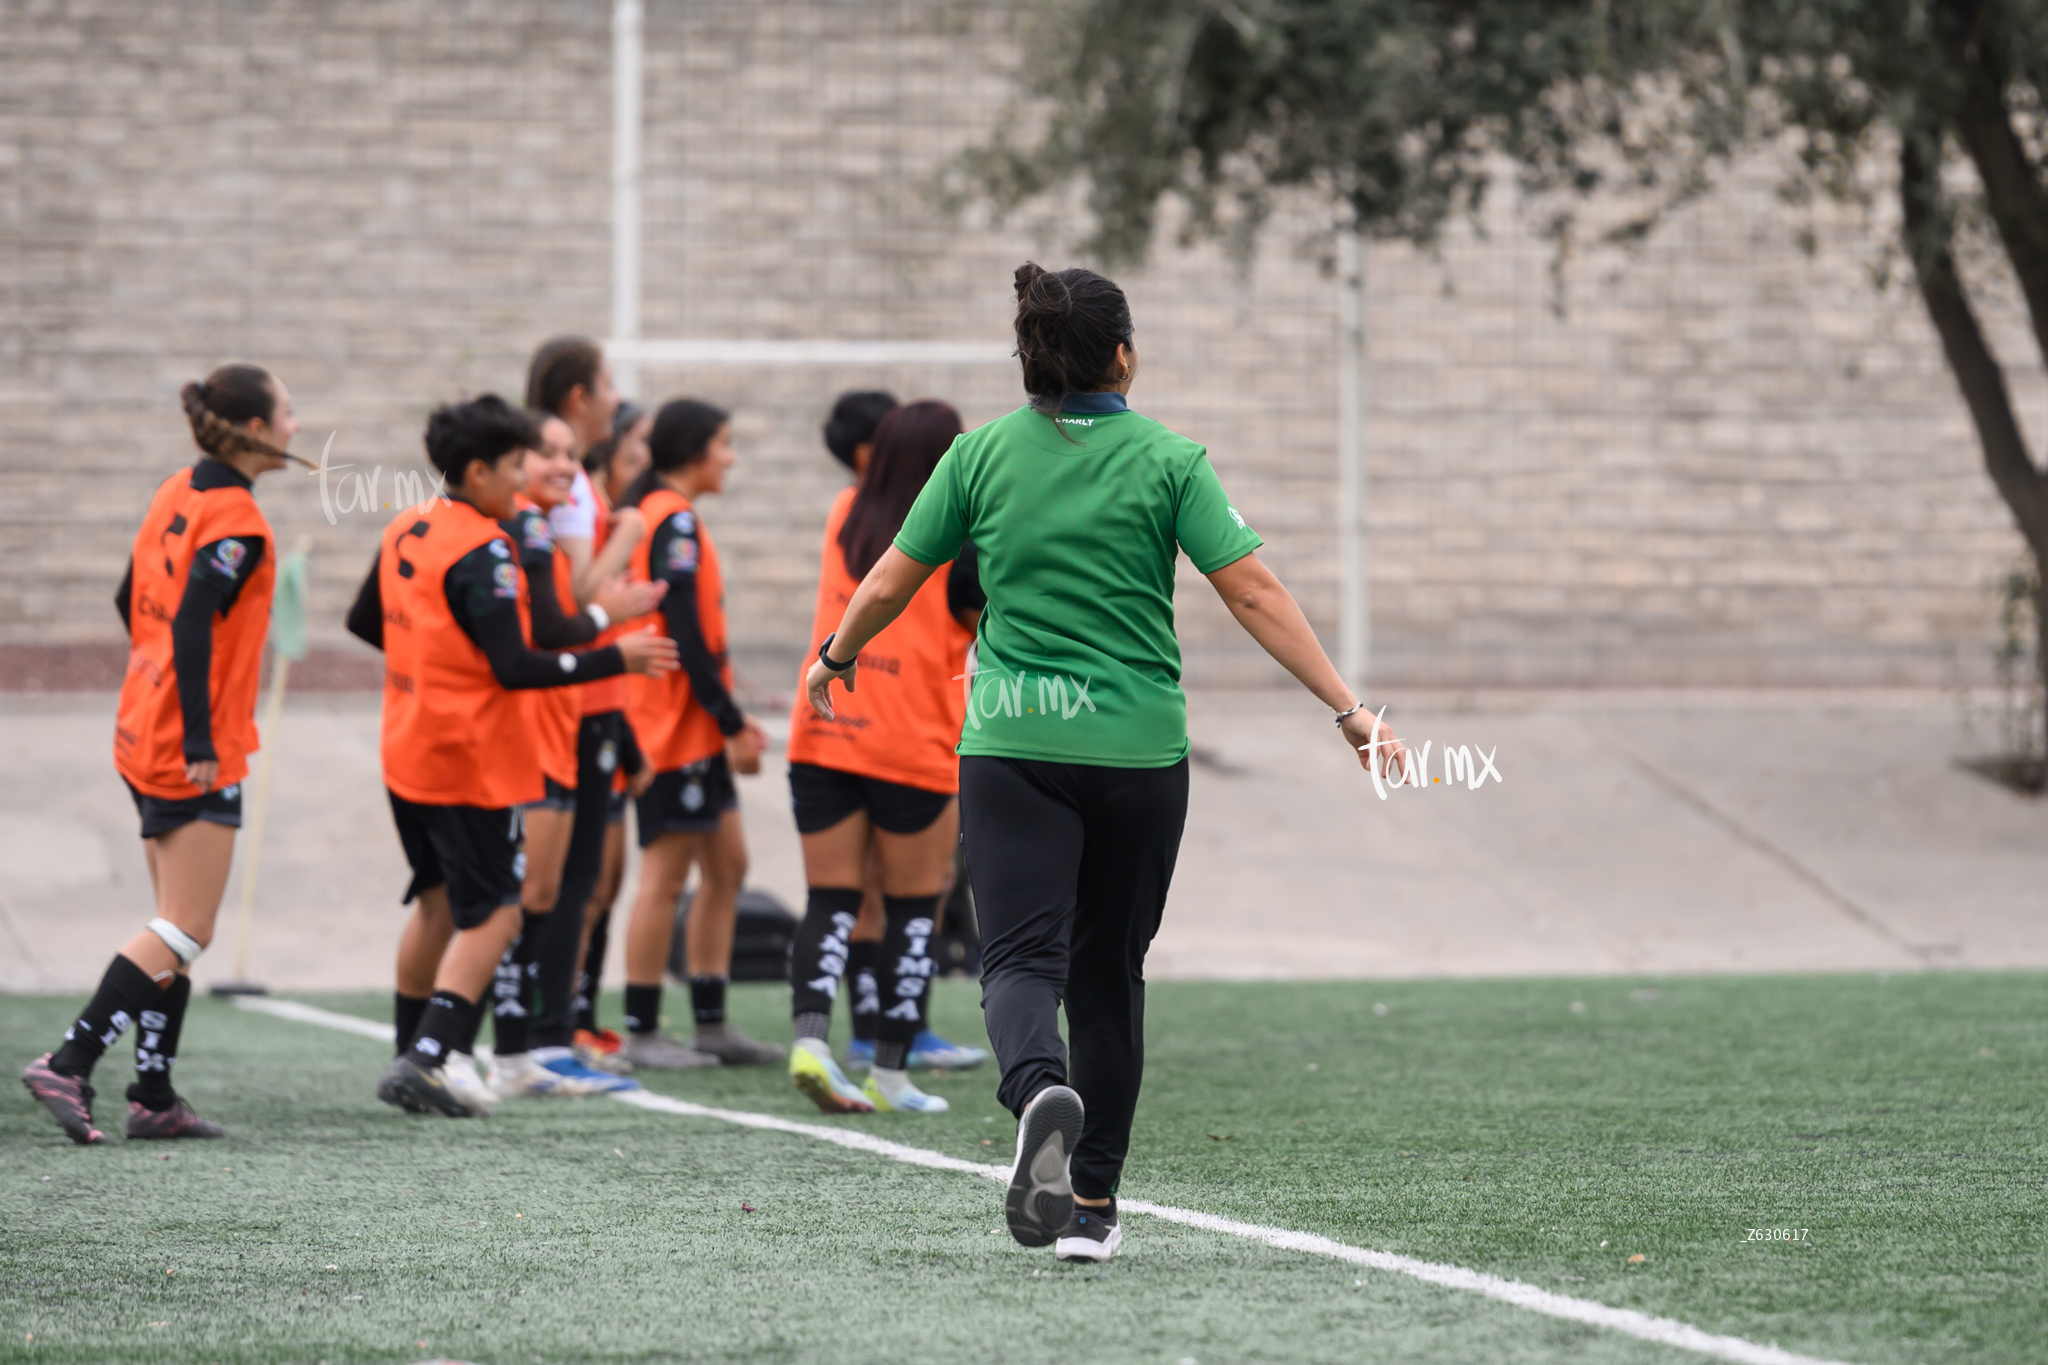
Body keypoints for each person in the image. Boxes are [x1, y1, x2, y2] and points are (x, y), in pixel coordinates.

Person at [805, 263, 1409, 1261]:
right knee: (1107, 973)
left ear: (1030, 360)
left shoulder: (977, 456)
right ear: (1122, 356)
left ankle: (1040, 1088)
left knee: (1015, 961)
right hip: (1136, 751)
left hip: (1013, 743)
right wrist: (1346, 709)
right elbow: (1251, 590)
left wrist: (833, 658)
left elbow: (888, 580)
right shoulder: (1170, 459)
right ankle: (1090, 1209)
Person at [345, 395, 676, 1117]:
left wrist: (429, 669)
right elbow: (517, 665)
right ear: (478, 470)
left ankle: (415, 1054)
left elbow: (364, 620)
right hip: (467, 756)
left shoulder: (409, 523)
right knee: (495, 911)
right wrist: (613, 654)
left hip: (406, 744)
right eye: (517, 464)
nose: (527, 474)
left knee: (436, 904)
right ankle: (431, 1055)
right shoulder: (484, 546)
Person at [21, 365, 301, 1145]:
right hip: (189, 740)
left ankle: (152, 1093)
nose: (297, 427)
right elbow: (190, 622)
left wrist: (157, 683)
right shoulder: (237, 519)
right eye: (288, 412)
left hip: (141, 720)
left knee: (171, 923)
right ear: (252, 428)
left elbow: (129, 599)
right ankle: (70, 1060)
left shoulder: (176, 488)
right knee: (186, 926)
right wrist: (204, 738)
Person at [784, 401, 985, 1116]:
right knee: (912, 907)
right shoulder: (958, 535)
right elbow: (980, 619)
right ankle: (892, 1072)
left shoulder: (844, 508)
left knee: (832, 900)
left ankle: (812, 1040)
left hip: (826, 730)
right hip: (914, 742)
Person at [483, 412, 663, 1098]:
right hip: (558, 716)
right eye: (549, 453)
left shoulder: (542, 524)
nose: (568, 466)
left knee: (569, 888)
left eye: (570, 454)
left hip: (581, 712)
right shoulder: (529, 525)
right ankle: (527, 1039)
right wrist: (624, 547)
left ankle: (541, 1037)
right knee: (541, 892)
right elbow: (573, 612)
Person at [617, 400, 780, 1069]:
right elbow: (683, 629)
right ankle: (642, 1027)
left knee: (729, 866)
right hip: (671, 731)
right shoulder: (671, 518)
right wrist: (732, 718)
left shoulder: (661, 512)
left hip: (691, 731)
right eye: (724, 443)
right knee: (663, 875)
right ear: (692, 451)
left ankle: (711, 1022)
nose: (731, 456)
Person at [567, 400, 657, 1065]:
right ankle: (556, 1020)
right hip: (575, 710)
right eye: (637, 443)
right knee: (579, 883)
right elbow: (578, 604)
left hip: (610, 708)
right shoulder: (586, 509)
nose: (645, 455)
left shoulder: (601, 506)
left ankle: (580, 1012)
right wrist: (625, 535)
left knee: (606, 878)